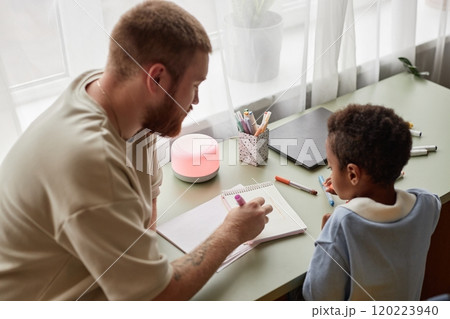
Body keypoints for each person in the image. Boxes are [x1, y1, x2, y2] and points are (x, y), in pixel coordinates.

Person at [0, 1, 272, 300]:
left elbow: (148, 195)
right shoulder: (90, 161)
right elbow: (156, 298)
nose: (196, 101)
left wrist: (142, 258)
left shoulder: (117, 96)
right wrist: (232, 232)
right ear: (156, 79)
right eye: (194, 85)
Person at [301, 104, 441, 300]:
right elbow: (424, 202)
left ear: (352, 174)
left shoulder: (342, 224)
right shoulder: (426, 204)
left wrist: (325, 240)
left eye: (331, 167)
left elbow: (316, 297)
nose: (330, 174)